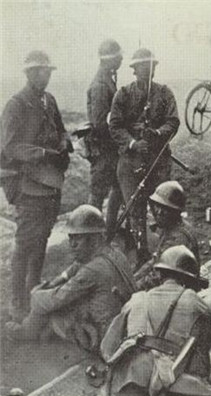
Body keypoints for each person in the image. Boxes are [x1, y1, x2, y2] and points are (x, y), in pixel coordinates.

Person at [0, 50, 71, 322]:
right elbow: (10, 147)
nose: (47, 76)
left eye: (48, 71)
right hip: (26, 182)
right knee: (25, 242)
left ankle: (33, 291)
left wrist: (63, 143)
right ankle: (17, 302)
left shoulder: (48, 100)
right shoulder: (16, 104)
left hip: (49, 181)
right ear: (30, 73)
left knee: (41, 238)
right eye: (42, 71)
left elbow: (60, 129)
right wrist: (43, 153)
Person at [5, 205, 135, 352]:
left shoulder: (92, 270)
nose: (72, 244)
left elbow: (54, 300)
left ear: (93, 239)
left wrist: (36, 293)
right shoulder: (114, 252)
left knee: (47, 304)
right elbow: (77, 265)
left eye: (78, 238)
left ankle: (27, 331)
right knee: (57, 300)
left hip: (106, 336)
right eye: (71, 238)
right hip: (124, 323)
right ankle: (41, 328)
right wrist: (55, 282)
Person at [100, 245, 211, 396]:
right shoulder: (198, 305)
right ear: (189, 279)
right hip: (168, 385)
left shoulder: (137, 299)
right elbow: (201, 366)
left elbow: (107, 348)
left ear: (160, 274)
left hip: (129, 383)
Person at [109, 48, 180, 266]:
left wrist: (157, 134)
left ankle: (169, 253)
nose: (146, 71)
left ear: (155, 69)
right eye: (141, 67)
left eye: (150, 67)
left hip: (158, 160)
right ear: (134, 70)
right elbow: (115, 125)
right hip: (131, 161)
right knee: (135, 210)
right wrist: (132, 143)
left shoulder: (164, 93)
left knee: (164, 207)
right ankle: (141, 255)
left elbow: (173, 121)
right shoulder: (123, 94)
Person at [86, 39, 123, 237]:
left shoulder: (107, 78)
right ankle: (89, 235)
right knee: (97, 195)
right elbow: (100, 123)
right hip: (103, 150)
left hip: (110, 149)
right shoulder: (101, 84)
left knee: (118, 188)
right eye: (118, 56)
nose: (121, 59)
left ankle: (109, 231)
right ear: (109, 59)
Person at [134, 180, 200, 290]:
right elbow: (155, 261)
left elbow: (158, 276)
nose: (159, 212)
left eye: (165, 209)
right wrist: (133, 278)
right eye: (158, 206)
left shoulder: (178, 238)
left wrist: (134, 288)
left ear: (175, 211)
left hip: (179, 291)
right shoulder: (171, 228)